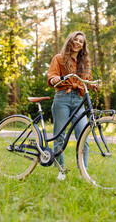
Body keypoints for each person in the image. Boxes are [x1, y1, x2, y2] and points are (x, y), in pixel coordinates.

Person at [47, 31, 100, 180]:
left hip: (78, 100)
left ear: (83, 46)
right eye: (75, 40)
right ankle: (61, 170)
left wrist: (93, 85)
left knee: (83, 136)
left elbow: (86, 81)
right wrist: (54, 79)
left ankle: (84, 171)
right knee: (59, 136)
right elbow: (52, 76)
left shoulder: (84, 63)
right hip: (62, 98)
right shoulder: (59, 58)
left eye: (81, 41)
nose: (77, 43)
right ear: (70, 41)